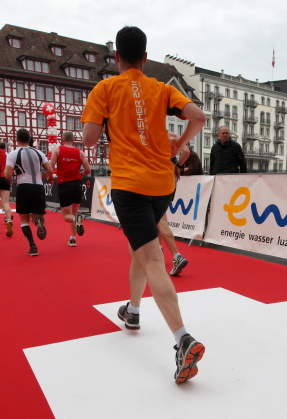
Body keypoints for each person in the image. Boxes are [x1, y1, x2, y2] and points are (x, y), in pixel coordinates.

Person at [81, 26, 207, 384]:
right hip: (163, 184)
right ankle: (133, 311)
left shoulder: (105, 89)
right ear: (146, 57)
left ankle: (183, 339)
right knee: (141, 248)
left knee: (151, 258)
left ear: (116, 57)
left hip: (129, 185)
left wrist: (104, 122)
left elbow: (88, 139)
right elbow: (199, 118)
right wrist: (178, 144)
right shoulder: (162, 88)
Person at [4, 128, 53, 256]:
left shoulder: (13, 154)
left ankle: (32, 246)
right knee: (37, 215)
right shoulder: (39, 152)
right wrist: (39, 176)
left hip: (23, 186)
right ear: (29, 139)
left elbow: (7, 174)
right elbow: (50, 170)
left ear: (17, 139)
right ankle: (38, 223)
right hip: (38, 186)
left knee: (24, 219)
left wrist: (16, 172)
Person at [48, 131, 91, 247]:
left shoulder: (57, 150)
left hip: (64, 184)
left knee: (68, 216)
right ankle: (72, 239)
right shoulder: (80, 152)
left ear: (62, 139)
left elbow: (51, 166)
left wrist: (50, 177)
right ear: (73, 140)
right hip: (77, 185)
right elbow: (88, 170)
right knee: (74, 214)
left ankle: (76, 224)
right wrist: (81, 174)